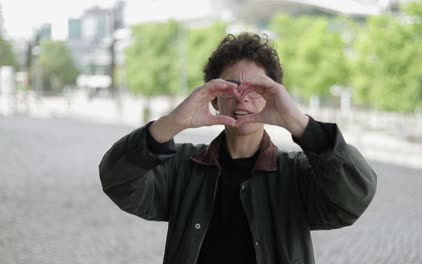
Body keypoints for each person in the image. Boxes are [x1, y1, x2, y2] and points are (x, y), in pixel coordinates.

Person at [99, 32, 377, 264]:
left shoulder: (297, 174)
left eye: (256, 88)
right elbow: (118, 182)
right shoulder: (183, 168)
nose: (241, 99)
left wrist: (299, 124)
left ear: (274, 97)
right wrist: (172, 123)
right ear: (214, 99)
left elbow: (354, 198)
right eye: (229, 88)